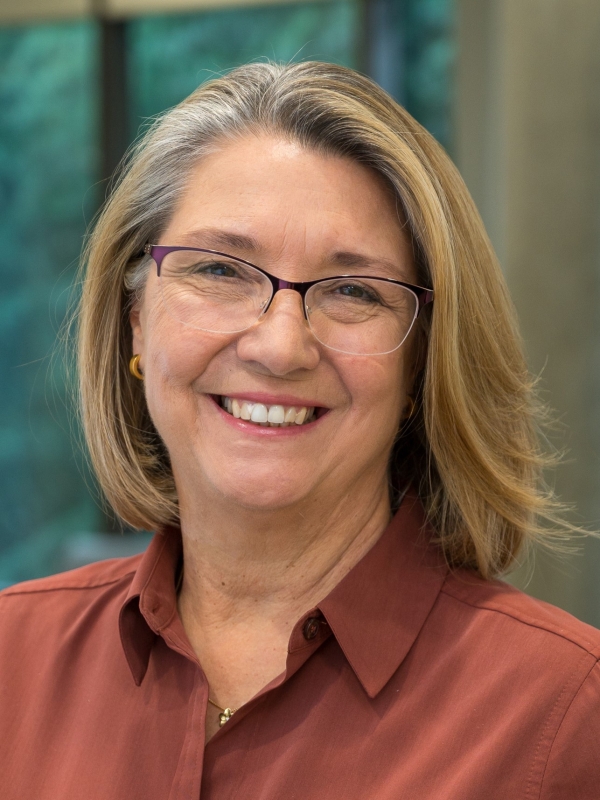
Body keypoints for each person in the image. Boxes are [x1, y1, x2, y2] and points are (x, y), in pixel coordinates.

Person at [1, 61, 598, 799]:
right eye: (220, 271)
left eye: (354, 291)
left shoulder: (566, 716)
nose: (279, 347)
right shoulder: (10, 666)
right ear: (134, 320)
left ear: (421, 366)